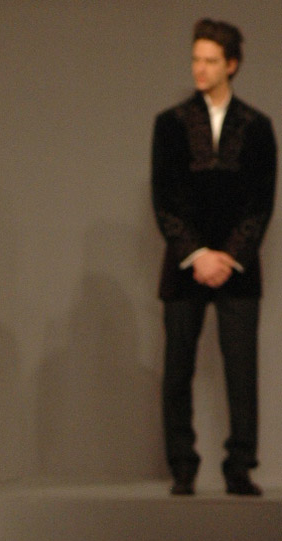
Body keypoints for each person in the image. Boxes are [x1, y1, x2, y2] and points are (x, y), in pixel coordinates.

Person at [152, 18, 276, 496]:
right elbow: (164, 198)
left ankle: (240, 466)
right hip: (185, 263)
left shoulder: (258, 127)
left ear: (232, 64)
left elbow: (261, 201)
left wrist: (228, 255)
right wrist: (197, 254)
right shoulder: (170, 123)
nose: (199, 68)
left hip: (238, 265)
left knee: (241, 369)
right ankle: (182, 466)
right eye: (195, 59)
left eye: (209, 60)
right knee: (178, 368)